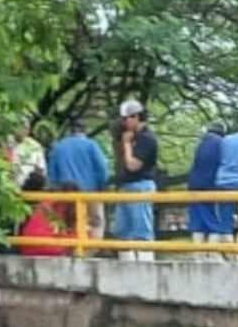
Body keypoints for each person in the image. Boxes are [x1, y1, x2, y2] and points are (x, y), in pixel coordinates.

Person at [46, 118, 111, 242]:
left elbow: (52, 175)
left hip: (66, 194)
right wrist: (102, 187)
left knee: (68, 223)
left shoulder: (59, 147)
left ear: (70, 130)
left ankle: (68, 249)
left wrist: (56, 190)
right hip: (90, 192)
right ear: (85, 130)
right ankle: (91, 250)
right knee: (95, 222)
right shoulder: (91, 145)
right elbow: (103, 169)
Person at [111, 101, 161, 253]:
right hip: (127, 185)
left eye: (126, 118)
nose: (124, 122)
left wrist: (126, 144)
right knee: (123, 231)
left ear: (136, 117)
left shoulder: (147, 139)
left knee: (141, 230)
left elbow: (133, 165)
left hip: (140, 184)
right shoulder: (134, 137)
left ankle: (145, 263)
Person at [187, 120, 227, 243]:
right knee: (213, 222)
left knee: (197, 222)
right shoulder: (221, 143)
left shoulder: (201, 142)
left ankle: (198, 255)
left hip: (193, 185)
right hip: (210, 185)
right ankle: (213, 254)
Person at [15, 173, 72, 257]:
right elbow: (61, 229)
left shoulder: (22, 202)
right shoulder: (55, 204)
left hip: (25, 248)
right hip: (47, 249)